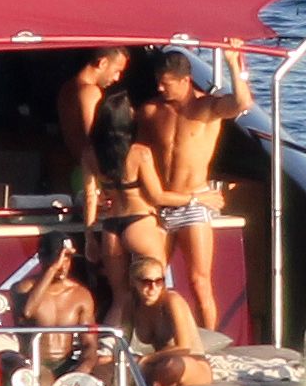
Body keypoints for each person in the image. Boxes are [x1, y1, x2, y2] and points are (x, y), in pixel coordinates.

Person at [137, 41, 252, 330]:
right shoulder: (151, 111)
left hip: (196, 202)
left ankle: (209, 342)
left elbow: (242, 104)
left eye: (166, 84)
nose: (160, 88)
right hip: (160, 202)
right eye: (158, 82)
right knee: (151, 277)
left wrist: (232, 64)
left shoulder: (207, 108)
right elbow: (138, 154)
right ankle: (156, 335)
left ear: (185, 81)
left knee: (199, 281)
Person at [82, 91, 224, 326]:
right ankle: (165, 337)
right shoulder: (139, 153)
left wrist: (89, 238)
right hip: (140, 224)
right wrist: (196, 199)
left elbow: (89, 197)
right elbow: (158, 196)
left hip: (111, 228)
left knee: (121, 299)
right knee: (157, 293)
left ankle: (109, 344)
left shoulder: (90, 154)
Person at [12, 231, 98, 386]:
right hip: (33, 362)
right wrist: (51, 270)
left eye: (67, 258)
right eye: (57, 258)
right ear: (41, 258)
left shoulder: (80, 295)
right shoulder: (23, 288)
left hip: (66, 362)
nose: (62, 265)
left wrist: (84, 366)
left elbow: (89, 344)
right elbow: (27, 312)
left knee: (107, 381)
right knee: (44, 384)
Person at [121, 256, 213, 386]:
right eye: (146, 282)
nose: (153, 288)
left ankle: (150, 382)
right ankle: (153, 382)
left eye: (159, 281)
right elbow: (122, 343)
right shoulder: (131, 303)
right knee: (106, 364)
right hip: (158, 363)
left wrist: (148, 359)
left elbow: (184, 348)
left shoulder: (172, 300)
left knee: (172, 366)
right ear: (133, 282)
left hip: (191, 363)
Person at [57, 46, 129, 191]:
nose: (117, 78)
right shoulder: (90, 91)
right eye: (116, 71)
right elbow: (94, 137)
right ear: (103, 63)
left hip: (76, 169)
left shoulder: (68, 87)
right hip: (92, 173)